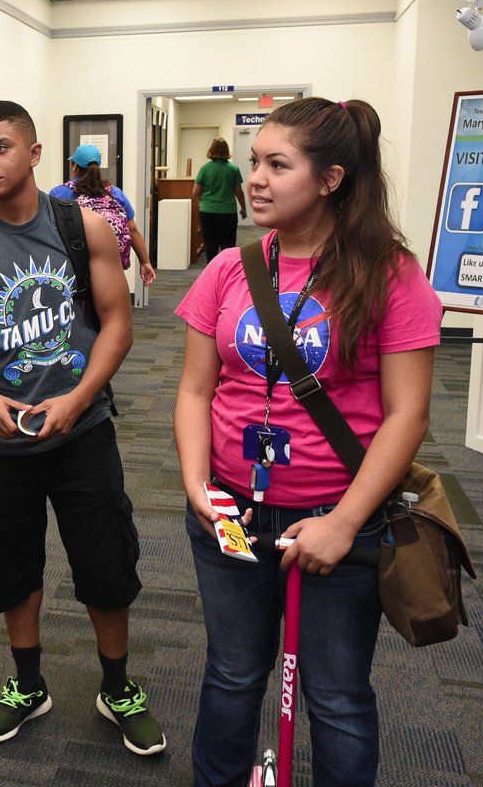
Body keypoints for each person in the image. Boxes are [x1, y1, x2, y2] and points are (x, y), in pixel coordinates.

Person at [173, 98, 441, 787]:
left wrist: (344, 524)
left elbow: (407, 416)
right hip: (230, 512)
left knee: (337, 695)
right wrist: (197, 485)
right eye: (254, 161)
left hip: (337, 520)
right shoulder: (230, 268)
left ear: (330, 179)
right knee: (232, 675)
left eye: (276, 165)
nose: (254, 178)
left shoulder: (389, 274)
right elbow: (196, 391)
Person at [0, 100, 166, 755]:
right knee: (8, 566)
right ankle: (28, 684)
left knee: (105, 562)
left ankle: (116, 687)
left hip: (82, 431)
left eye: (0, 148)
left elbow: (118, 322)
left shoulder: (81, 228)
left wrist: (79, 395)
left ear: (34, 154)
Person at [50, 144, 157, 286]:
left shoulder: (59, 193)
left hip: (75, 266)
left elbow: (49, 230)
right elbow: (132, 229)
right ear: (98, 167)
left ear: (74, 166)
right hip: (110, 265)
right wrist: (145, 262)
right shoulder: (114, 193)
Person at [192, 137, 247, 262]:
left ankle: (213, 275)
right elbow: (238, 191)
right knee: (228, 246)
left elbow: (195, 191)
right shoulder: (233, 169)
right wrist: (243, 208)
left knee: (210, 245)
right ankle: (226, 275)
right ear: (226, 151)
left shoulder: (205, 168)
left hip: (207, 212)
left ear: (211, 150)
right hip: (228, 212)